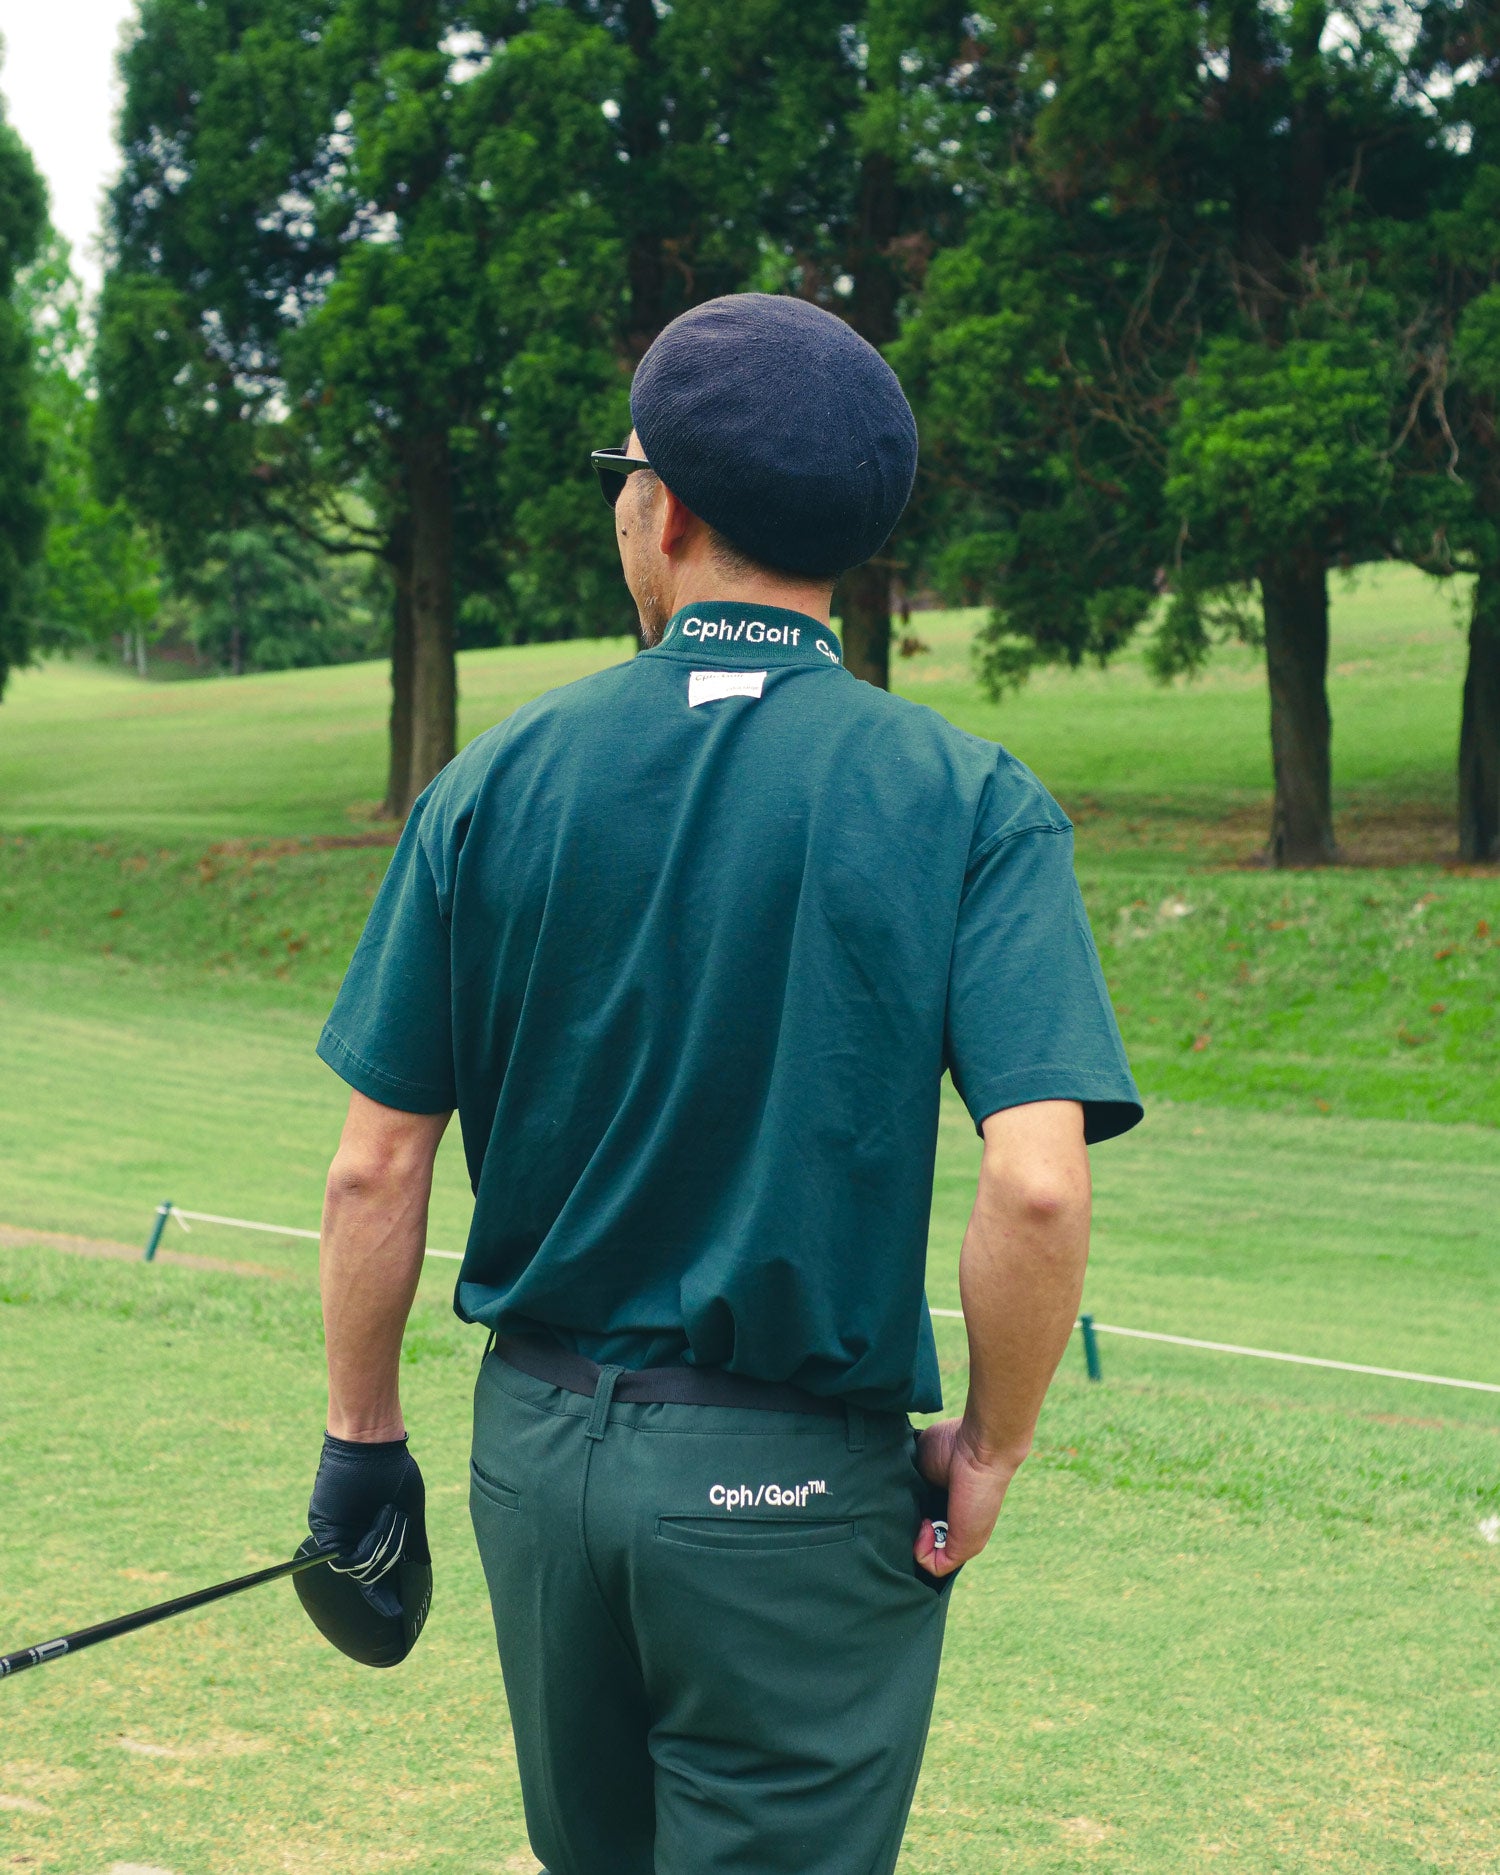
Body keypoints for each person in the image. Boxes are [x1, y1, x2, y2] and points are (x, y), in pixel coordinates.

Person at [304, 292, 1142, 1875]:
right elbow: (1038, 1185)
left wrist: (361, 1446)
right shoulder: (971, 800)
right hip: (792, 1485)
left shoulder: (488, 782)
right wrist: (991, 1449)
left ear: (667, 511)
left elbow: (374, 1166)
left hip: (532, 1460)